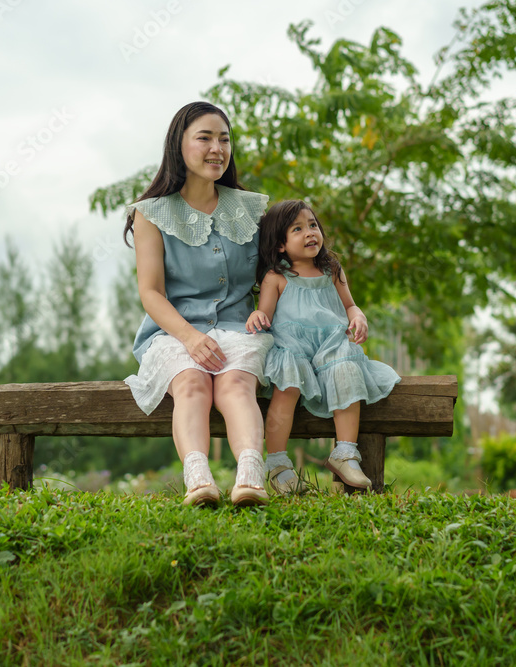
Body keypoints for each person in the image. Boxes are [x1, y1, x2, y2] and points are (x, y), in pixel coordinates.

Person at [123, 101, 273, 508]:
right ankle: (199, 480)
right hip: (174, 331)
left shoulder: (253, 208)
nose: (217, 149)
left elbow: (279, 273)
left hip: (240, 327)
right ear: (179, 145)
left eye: (224, 139)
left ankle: (249, 476)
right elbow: (150, 291)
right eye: (204, 138)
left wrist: (345, 306)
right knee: (190, 381)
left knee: (236, 383)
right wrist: (189, 337)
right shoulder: (150, 214)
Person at [246, 200, 401, 494]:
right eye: (298, 229)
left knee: (346, 370)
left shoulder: (331, 270)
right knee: (286, 388)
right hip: (293, 347)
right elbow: (264, 314)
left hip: (331, 344)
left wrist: (358, 316)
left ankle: (345, 453)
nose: (310, 233)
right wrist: (257, 315)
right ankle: (278, 464)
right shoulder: (276, 277)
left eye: (313, 225)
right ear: (280, 244)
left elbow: (350, 305)